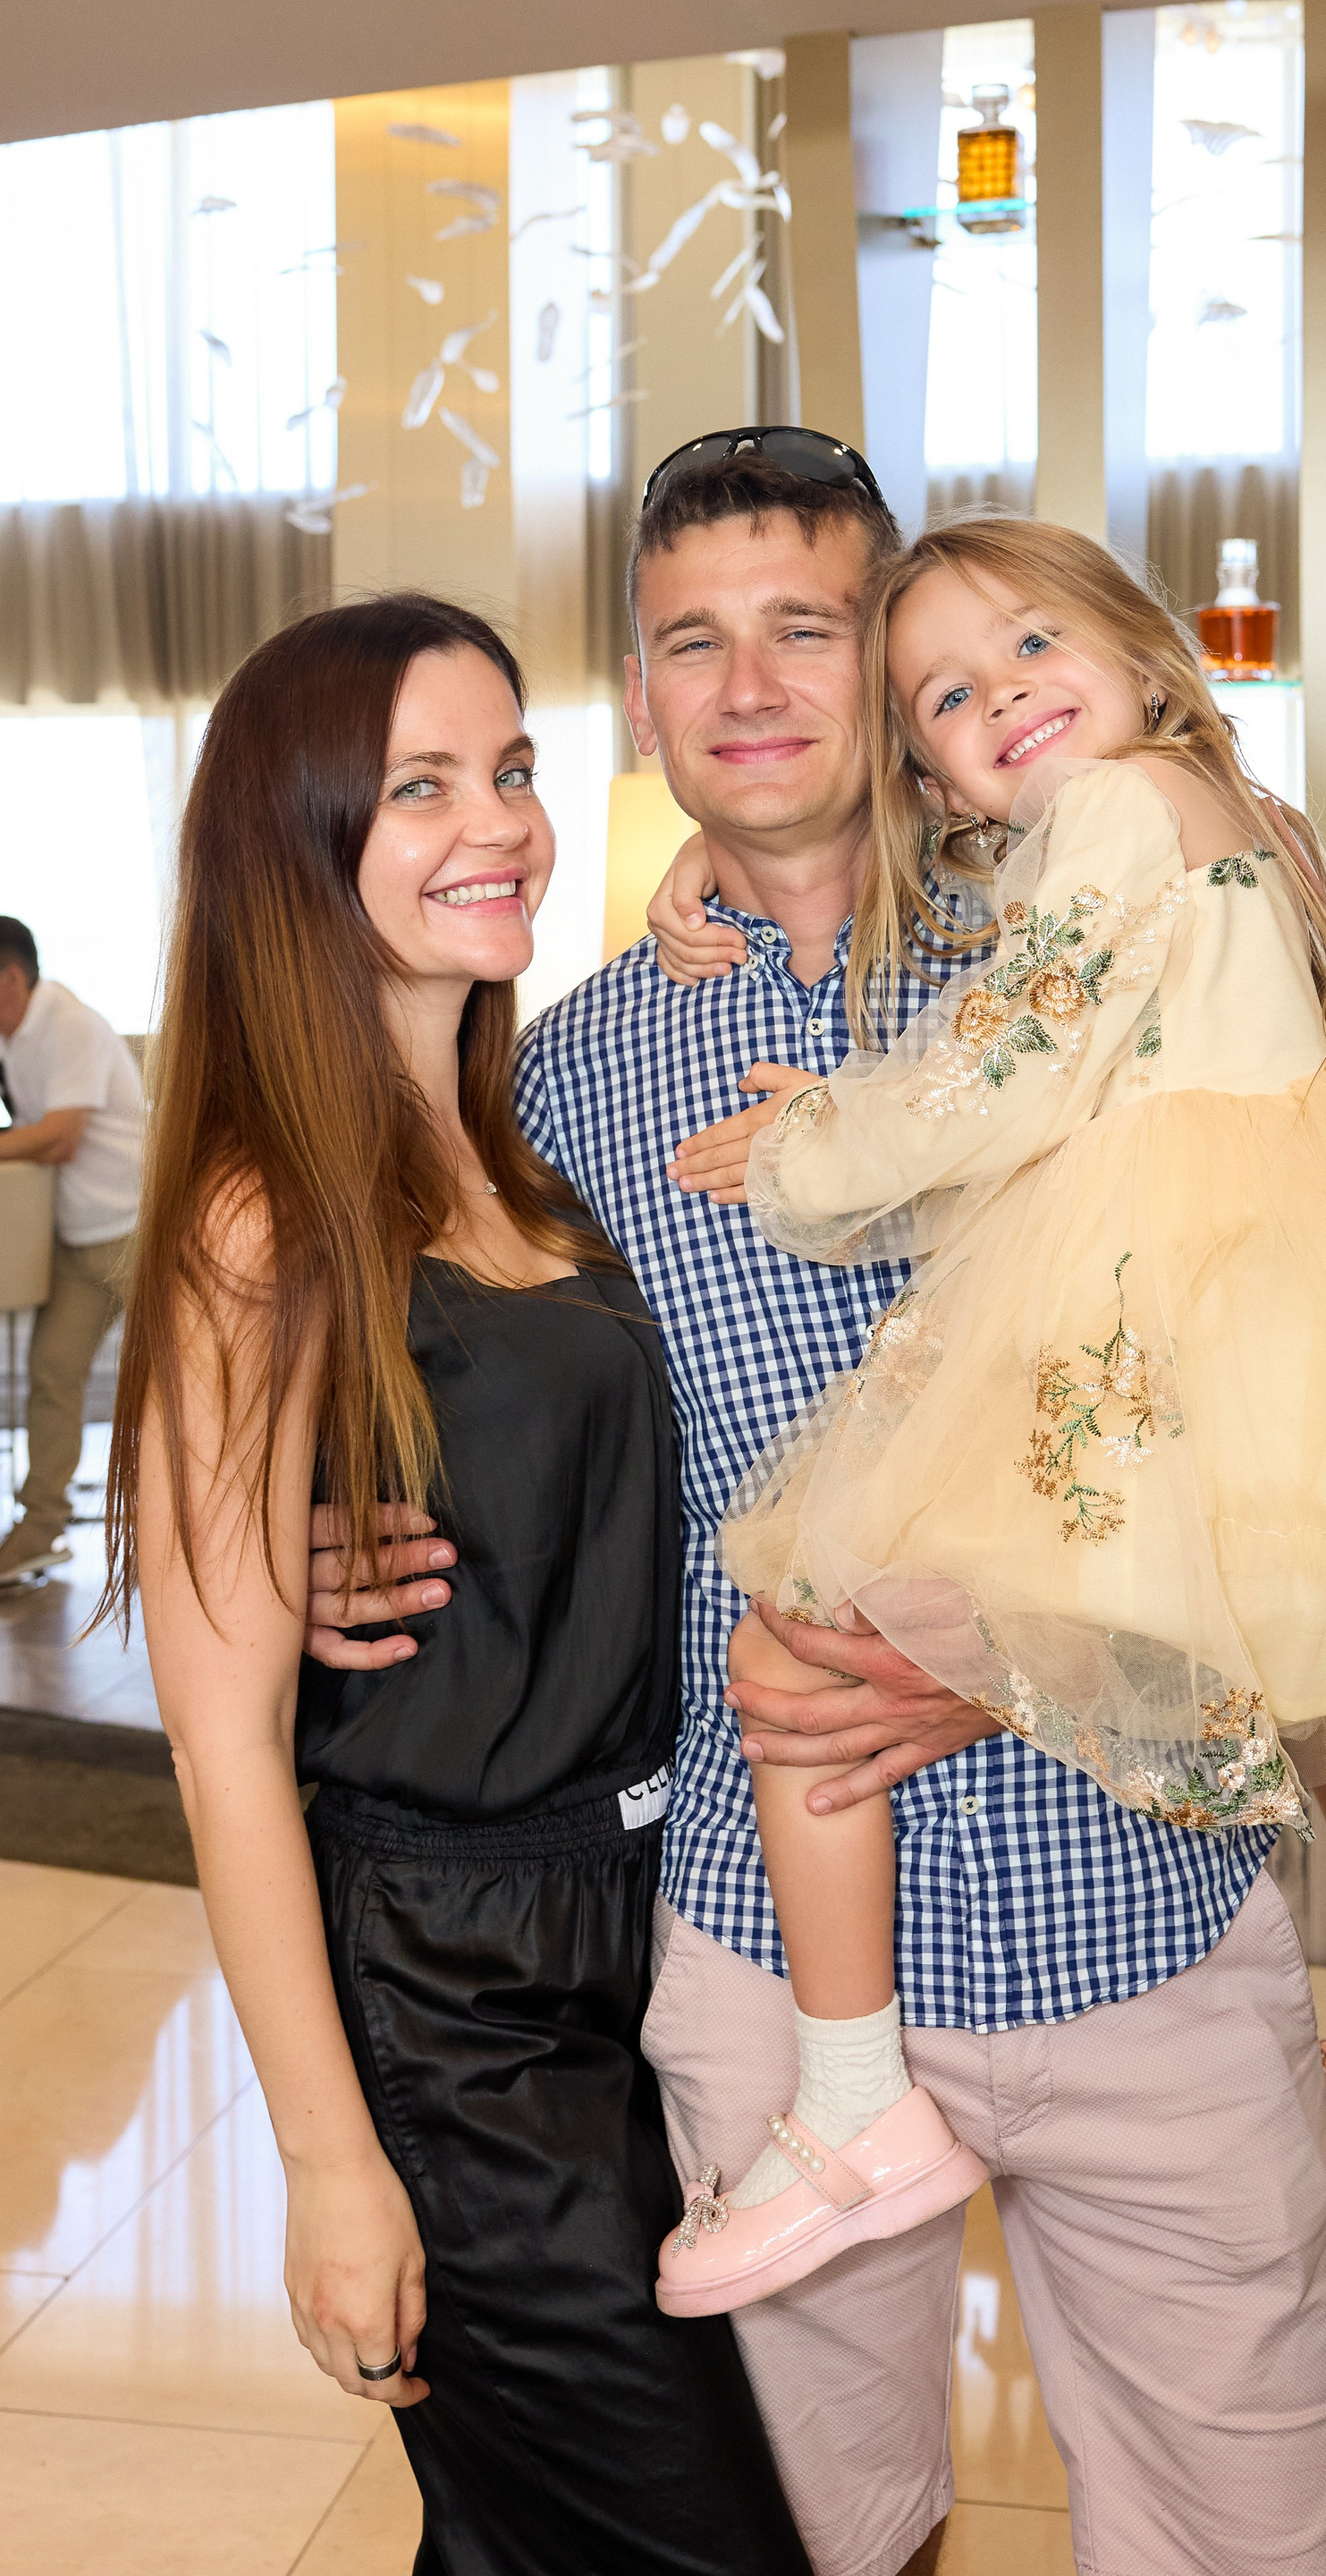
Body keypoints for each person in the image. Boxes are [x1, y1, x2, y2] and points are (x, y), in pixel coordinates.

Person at [308, 439, 1326, 2576]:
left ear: (892, 665)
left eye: (807, 627)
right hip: (764, 1966)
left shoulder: (1112, 943)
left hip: (1142, 1896)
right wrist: (340, 1530)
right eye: (692, 641)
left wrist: (1016, 1655)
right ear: (638, 693)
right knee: (809, 2538)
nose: (750, 685)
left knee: (1247, 2536)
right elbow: (492, 1410)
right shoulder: (560, 1074)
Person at [647, 520, 1326, 2188]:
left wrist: (812, 1145)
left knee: (807, 1630)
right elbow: (1046, 968)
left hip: (1176, 1298)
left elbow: (1016, 1061)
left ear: (1138, 648)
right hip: (1289, 1306)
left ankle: (848, 2100)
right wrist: (713, 850)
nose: (1001, 695)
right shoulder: (1233, 813)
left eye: (1030, 645)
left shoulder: (1118, 811)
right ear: (934, 773)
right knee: (1315, 1647)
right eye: (948, 697)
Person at [104, 595, 810, 2576]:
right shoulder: (261, 1217)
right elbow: (224, 1749)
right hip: (450, 1992)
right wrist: (335, 2167)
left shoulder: (517, 1158)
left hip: (632, 1932)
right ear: (299, 839)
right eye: (419, 786)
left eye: (509, 768)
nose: (498, 820)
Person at [0, 917, 142, 1584]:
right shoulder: (12, 1041)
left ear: (11, 978)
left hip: (140, 1234)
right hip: (78, 1241)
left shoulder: (68, 1023)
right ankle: (39, 1529)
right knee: (53, 1375)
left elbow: (60, 1138)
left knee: (176, 1382)